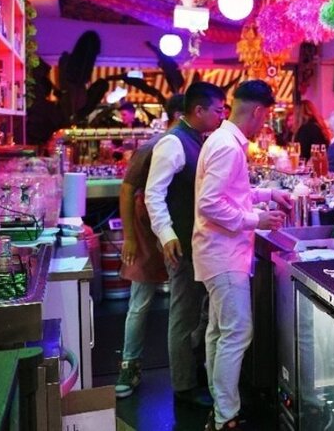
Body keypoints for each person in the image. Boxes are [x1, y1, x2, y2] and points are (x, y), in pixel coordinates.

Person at [193, 80, 291, 431]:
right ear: (259, 111)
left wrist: (265, 195)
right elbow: (209, 202)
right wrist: (255, 219)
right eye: (266, 117)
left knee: (220, 333)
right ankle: (226, 416)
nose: (265, 124)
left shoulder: (222, 139)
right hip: (223, 254)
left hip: (217, 252)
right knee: (236, 333)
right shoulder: (228, 146)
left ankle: (222, 409)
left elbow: (229, 191)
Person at [145, 82, 225, 409]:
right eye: (218, 110)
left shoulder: (197, 140)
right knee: (182, 315)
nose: (222, 116)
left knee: (198, 314)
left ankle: (193, 373)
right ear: (198, 111)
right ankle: (183, 386)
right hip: (181, 244)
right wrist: (167, 235)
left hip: (197, 244)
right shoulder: (173, 143)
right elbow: (153, 194)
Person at [114, 95, 184, 398]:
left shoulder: (189, 144)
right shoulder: (154, 145)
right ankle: (129, 365)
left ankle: (185, 368)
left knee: (183, 304)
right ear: (181, 114)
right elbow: (127, 189)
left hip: (175, 230)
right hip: (146, 231)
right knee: (140, 300)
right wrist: (129, 235)